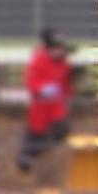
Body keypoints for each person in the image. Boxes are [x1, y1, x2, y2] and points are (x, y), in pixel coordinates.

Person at [17, 28, 74, 172]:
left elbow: (66, 82)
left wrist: (67, 97)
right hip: (41, 105)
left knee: (61, 129)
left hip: (57, 104)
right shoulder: (38, 60)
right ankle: (26, 161)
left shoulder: (62, 62)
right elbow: (31, 81)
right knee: (36, 133)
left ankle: (48, 152)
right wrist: (42, 89)